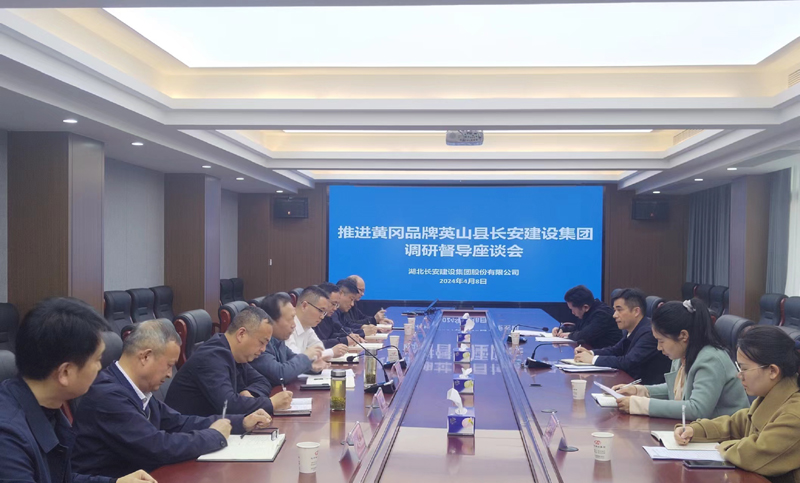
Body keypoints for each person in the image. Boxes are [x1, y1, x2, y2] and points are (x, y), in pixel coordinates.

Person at [73, 319, 272, 478]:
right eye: (169, 365)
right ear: (145, 357)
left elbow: (179, 422)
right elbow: (156, 447)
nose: (170, 374)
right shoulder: (108, 396)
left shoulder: (135, 390)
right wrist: (214, 436)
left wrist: (240, 422)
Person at [0, 297, 155, 483]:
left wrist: (115, 482)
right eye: (97, 360)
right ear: (65, 372)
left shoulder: (46, 408)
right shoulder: (8, 439)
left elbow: (58, 478)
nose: (100, 367)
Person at [675, 326, 800, 482]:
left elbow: (755, 453)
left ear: (773, 371)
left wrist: (723, 446)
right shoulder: (769, 396)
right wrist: (695, 430)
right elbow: (735, 424)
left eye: (744, 368)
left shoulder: (794, 415)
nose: (739, 375)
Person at [612, 299, 749, 419]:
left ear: (683, 336)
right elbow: (675, 389)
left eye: (661, 341)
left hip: (726, 435)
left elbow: (697, 409)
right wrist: (640, 391)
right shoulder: (682, 354)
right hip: (697, 430)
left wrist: (641, 405)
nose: (659, 348)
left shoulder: (711, 359)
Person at [165, 306, 292, 417]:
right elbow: (228, 405)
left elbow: (262, 382)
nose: (263, 349)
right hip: (188, 432)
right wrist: (271, 403)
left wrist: (249, 393)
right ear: (241, 334)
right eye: (261, 342)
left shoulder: (235, 355)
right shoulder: (211, 357)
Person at [573, 288, 670, 384]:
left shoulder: (649, 332)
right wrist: (591, 353)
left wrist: (592, 359)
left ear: (636, 311)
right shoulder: (633, 329)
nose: (614, 315)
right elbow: (616, 350)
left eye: (619, 310)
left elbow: (628, 362)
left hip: (644, 388)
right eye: (615, 310)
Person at [252, 293, 328, 385]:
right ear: (270, 321)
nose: (294, 325)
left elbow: (292, 361)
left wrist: (311, 366)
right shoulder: (260, 345)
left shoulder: (278, 340)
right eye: (289, 319)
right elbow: (280, 374)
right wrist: (306, 356)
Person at [287, 286, 348, 360]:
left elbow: (320, 348)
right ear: (304, 306)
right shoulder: (286, 326)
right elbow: (294, 359)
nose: (322, 317)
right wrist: (331, 352)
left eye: (324, 312)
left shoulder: (307, 327)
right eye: (321, 310)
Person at [552, 285, 621, 349]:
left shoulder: (602, 314)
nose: (572, 313)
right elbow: (580, 328)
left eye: (573, 310)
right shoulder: (588, 311)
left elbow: (584, 336)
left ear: (585, 307)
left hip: (607, 354)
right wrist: (562, 330)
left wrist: (569, 335)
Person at [314, 283, 363, 349]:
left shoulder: (327, 317)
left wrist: (350, 337)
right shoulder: (312, 319)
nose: (335, 308)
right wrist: (344, 340)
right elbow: (317, 344)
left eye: (336, 305)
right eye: (333, 304)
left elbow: (331, 335)